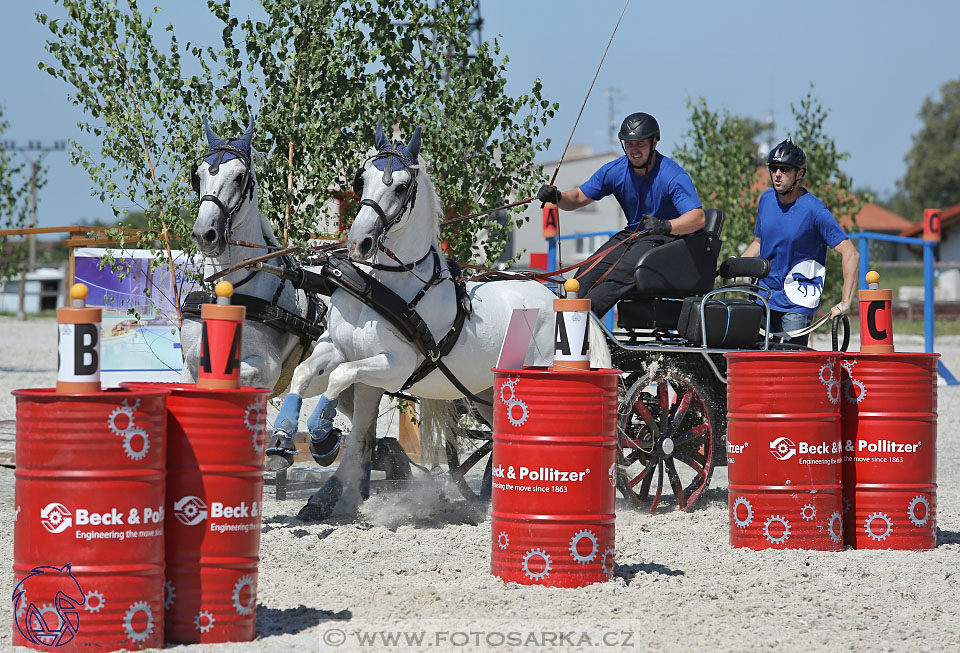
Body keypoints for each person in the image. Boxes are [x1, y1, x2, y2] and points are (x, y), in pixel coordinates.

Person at [537, 112, 705, 317]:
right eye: (629, 144)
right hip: (634, 234)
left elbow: (698, 218)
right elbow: (579, 196)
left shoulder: (672, 175)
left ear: (654, 143)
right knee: (584, 276)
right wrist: (557, 196)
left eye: (641, 144)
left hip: (667, 238)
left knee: (616, 276)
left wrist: (665, 225)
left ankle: (580, 326)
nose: (634, 150)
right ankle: (560, 327)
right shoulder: (615, 171)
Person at [742, 138, 860, 346]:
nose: (777, 174)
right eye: (774, 168)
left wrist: (845, 302)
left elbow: (851, 254)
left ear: (799, 174)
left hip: (796, 303)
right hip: (763, 298)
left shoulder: (815, 210)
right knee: (755, 362)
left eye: (785, 169)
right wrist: (737, 264)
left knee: (789, 368)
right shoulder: (766, 200)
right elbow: (759, 242)